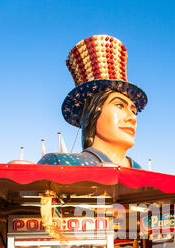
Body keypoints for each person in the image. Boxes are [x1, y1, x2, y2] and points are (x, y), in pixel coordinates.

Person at [38, 35, 146, 169]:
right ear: (92, 112)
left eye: (134, 111)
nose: (132, 118)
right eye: (119, 105)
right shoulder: (60, 164)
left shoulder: (141, 172)